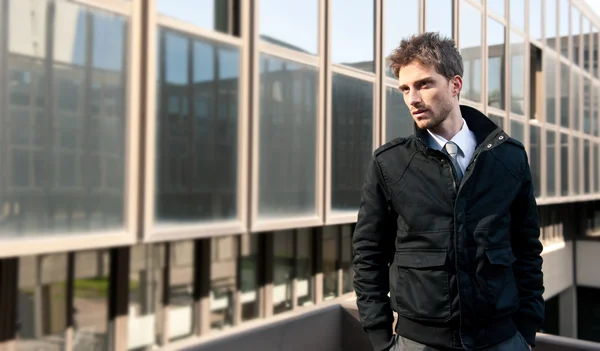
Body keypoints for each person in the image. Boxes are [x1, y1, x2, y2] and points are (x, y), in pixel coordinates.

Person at [352, 32, 544, 351]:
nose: (412, 98)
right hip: (418, 342)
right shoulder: (390, 163)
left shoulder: (509, 157)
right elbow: (368, 254)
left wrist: (526, 329)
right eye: (404, 88)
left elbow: (527, 249)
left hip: (502, 340)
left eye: (424, 84)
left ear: (455, 85)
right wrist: (381, 337)